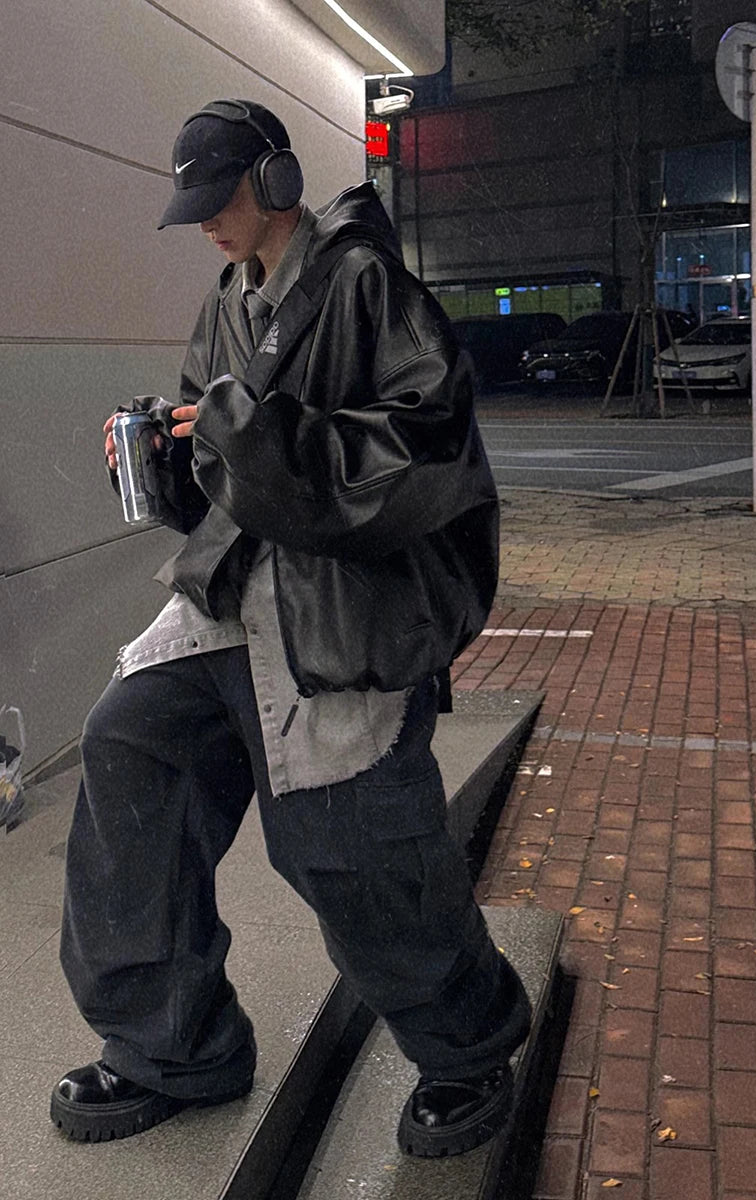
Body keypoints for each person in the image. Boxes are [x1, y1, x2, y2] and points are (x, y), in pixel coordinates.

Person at [50, 98, 531, 1157]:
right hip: (234, 597)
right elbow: (223, 470)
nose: (208, 225)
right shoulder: (229, 298)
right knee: (131, 744)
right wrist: (171, 460)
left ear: (274, 180)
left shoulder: (367, 284)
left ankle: (468, 1045)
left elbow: (424, 452)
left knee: (345, 844)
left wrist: (259, 439)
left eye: (219, 199)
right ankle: (174, 1045)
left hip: (337, 609)